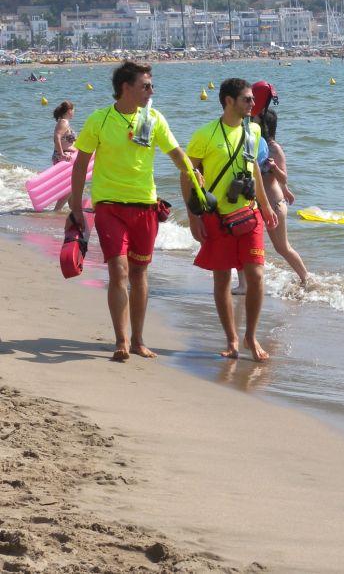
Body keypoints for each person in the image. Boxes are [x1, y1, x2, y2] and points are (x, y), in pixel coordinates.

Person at [68, 61, 195, 362]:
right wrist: (75, 202)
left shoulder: (153, 118)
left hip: (145, 205)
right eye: (146, 86)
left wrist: (193, 174)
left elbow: (175, 152)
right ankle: (121, 339)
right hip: (109, 205)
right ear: (126, 87)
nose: (151, 91)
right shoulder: (99, 119)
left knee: (139, 272)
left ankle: (138, 339)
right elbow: (81, 163)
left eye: (151, 85)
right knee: (118, 269)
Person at [187, 78, 278, 362]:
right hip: (217, 217)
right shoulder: (204, 135)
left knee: (256, 275)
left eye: (253, 99)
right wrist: (193, 217)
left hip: (249, 213)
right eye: (247, 99)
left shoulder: (254, 130)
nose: (253, 104)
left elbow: (254, 171)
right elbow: (188, 176)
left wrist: (266, 206)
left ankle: (251, 335)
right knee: (222, 278)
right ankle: (232, 339)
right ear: (229, 101)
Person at [236, 107, 308, 293]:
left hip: (274, 204)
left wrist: (274, 168)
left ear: (264, 123)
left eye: (255, 118)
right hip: (254, 203)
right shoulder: (252, 143)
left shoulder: (274, 148)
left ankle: (306, 279)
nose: (251, 120)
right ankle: (243, 284)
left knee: (282, 247)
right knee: (242, 242)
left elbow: (283, 177)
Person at [52, 100, 78, 211]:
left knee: (69, 185)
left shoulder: (63, 122)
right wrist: (62, 154)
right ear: (69, 111)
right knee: (72, 185)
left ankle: (73, 209)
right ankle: (56, 211)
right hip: (63, 157)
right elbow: (56, 137)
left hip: (64, 156)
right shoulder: (64, 122)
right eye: (73, 110)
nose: (74, 112)